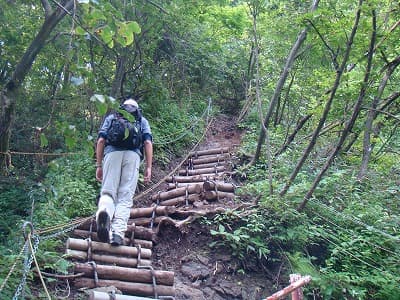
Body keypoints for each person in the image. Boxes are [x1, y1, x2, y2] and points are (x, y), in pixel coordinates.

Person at [95, 98, 153, 246]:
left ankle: (105, 213)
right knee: (125, 197)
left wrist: (99, 165)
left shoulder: (112, 117)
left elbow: (101, 140)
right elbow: (147, 142)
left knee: (108, 192)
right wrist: (148, 167)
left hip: (111, 155)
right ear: (137, 109)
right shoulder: (141, 120)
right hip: (133, 156)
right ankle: (117, 234)